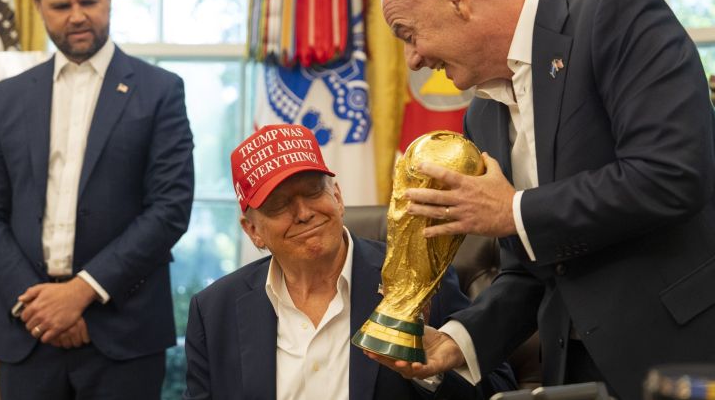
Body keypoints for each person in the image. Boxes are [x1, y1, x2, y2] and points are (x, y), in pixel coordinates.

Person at [367, 0, 715, 400]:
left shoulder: (615, 12)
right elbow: (531, 267)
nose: (414, 59)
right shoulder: (480, 115)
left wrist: (515, 211)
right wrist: (458, 342)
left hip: (701, 357)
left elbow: (671, 173)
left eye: (408, 34)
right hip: (578, 375)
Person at [0, 0, 194, 399]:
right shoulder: (8, 97)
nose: (76, 16)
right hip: (27, 330)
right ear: (39, 8)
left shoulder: (160, 91)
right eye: (61, 5)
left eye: (88, 2)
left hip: (123, 334)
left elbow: (169, 209)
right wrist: (39, 303)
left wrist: (80, 293)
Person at [182, 124, 515, 400]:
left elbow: (499, 390)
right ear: (253, 230)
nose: (303, 213)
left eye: (313, 192)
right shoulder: (214, 311)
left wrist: (432, 373)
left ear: (337, 197)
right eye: (279, 205)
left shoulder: (420, 277)